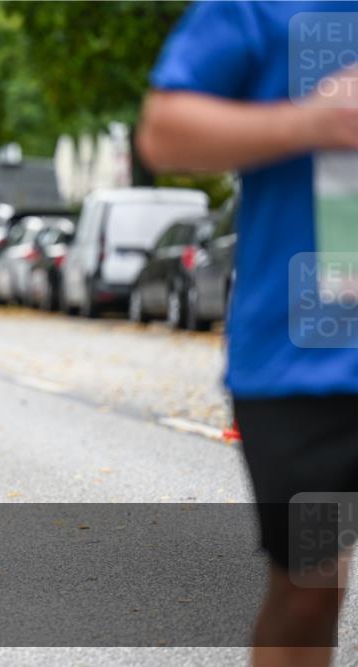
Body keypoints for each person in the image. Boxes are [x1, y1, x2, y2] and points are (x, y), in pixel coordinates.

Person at [137, 3, 358, 665]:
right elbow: (165, 133)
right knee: (312, 583)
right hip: (311, 366)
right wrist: (318, 121)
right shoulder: (262, 8)